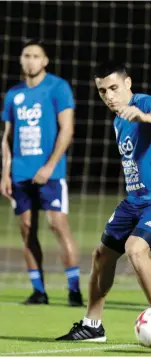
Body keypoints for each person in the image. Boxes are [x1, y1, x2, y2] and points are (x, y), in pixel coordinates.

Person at [56, 60, 151, 342]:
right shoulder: (119, 120)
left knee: (135, 248)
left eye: (114, 88)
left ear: (128, 83)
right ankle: (93, 326)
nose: (109, 96)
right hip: (136, 199)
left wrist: (145, 117)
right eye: (103, 91)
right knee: (101, 255)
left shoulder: (145, 103)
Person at [1, 39, 83, 306]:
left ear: (45, 61)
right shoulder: (14, 94)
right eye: (26, 55)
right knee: (26, 229)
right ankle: (39, 291)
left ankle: (74, 290)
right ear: (21, 60)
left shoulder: (58, 87)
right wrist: (5, 173)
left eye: (36, 56)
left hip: (51, 173)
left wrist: (49, 166)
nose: (31, 60)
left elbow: (67, 130)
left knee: (58, 225)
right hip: (20, 174)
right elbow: (7, 137)